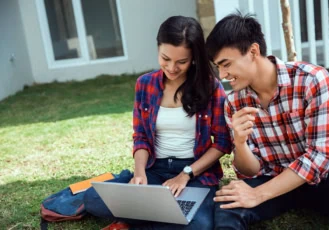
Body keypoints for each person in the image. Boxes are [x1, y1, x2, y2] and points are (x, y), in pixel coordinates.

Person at [84, 15, 232, 230]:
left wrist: (185, 175)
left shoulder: (211, 87)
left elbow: (221, 142)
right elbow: (141, 137)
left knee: (199, 226)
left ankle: (135, 221)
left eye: (181, 61)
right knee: (92, 200)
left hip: (195, 172)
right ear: (158, 49)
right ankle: (161, 216)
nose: (172, 68)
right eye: (165, 58)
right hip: (154, 169)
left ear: (194, 58)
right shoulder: (145, 84)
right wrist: (139, 173)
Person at [205, 12, 329, 230]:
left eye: (226, 64)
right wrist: (241, 143)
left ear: (253, 51)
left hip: (322, 181)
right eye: (218, 67)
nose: (223, 74)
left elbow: (321, 154)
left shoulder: (311, 79)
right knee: (227, 203)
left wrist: (257, 194)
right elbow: (250, 172)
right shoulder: (234, 102)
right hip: (272, 180)